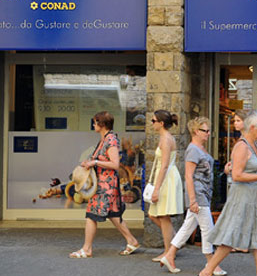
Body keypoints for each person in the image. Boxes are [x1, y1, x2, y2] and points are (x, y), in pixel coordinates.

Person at [197, 110, 257, 276]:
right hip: (241, 198)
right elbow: (237, 175)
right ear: (252, 128)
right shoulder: (242, 146)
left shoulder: (252, 144)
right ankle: (207, 271)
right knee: (230, 236)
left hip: (252, 199)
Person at [160, 117, 226, 276]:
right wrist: (193, 200)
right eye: (205, 131)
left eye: (209, 130)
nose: (208, 134)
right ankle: (211, 262)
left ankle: (169, 255)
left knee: (188, 226)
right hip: (198, 194)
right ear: (196, 131)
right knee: (207, 228)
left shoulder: (200, 148)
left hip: (203, 193)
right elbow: (188, 176)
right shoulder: (193, 149)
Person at [69, 111, 140, 258]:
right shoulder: (105, 139)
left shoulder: (111, 140)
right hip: (104, 183)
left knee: (91, 215)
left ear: (102, 124)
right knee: (113, 214)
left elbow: (115, 164)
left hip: (105, 185)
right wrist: (88, 163)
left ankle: (87, 249)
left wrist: (94, 162)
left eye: (95, 122)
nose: (93, 125)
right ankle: (132, 240)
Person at [148, 110, 184, 262]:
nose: (152, 123)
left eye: (153, 120)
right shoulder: (166, 138)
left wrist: (156, 189)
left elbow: (164, 166)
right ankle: (173, 242)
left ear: (161, 123)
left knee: (163, 215)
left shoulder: (166, 139)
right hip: (166, 177)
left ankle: (169, 251)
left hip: (166, 178)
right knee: (156, 214)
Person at [224, 109, 249, 254]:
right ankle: (242, 242)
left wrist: (232, 167)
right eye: (235, 121)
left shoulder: (244, 141)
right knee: (241, 212)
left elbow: (245, 162)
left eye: (238, 121)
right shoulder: (243, 140)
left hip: (241, 182)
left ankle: (239, 243)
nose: (235, 124)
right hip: (240, 181)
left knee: (238, 212)